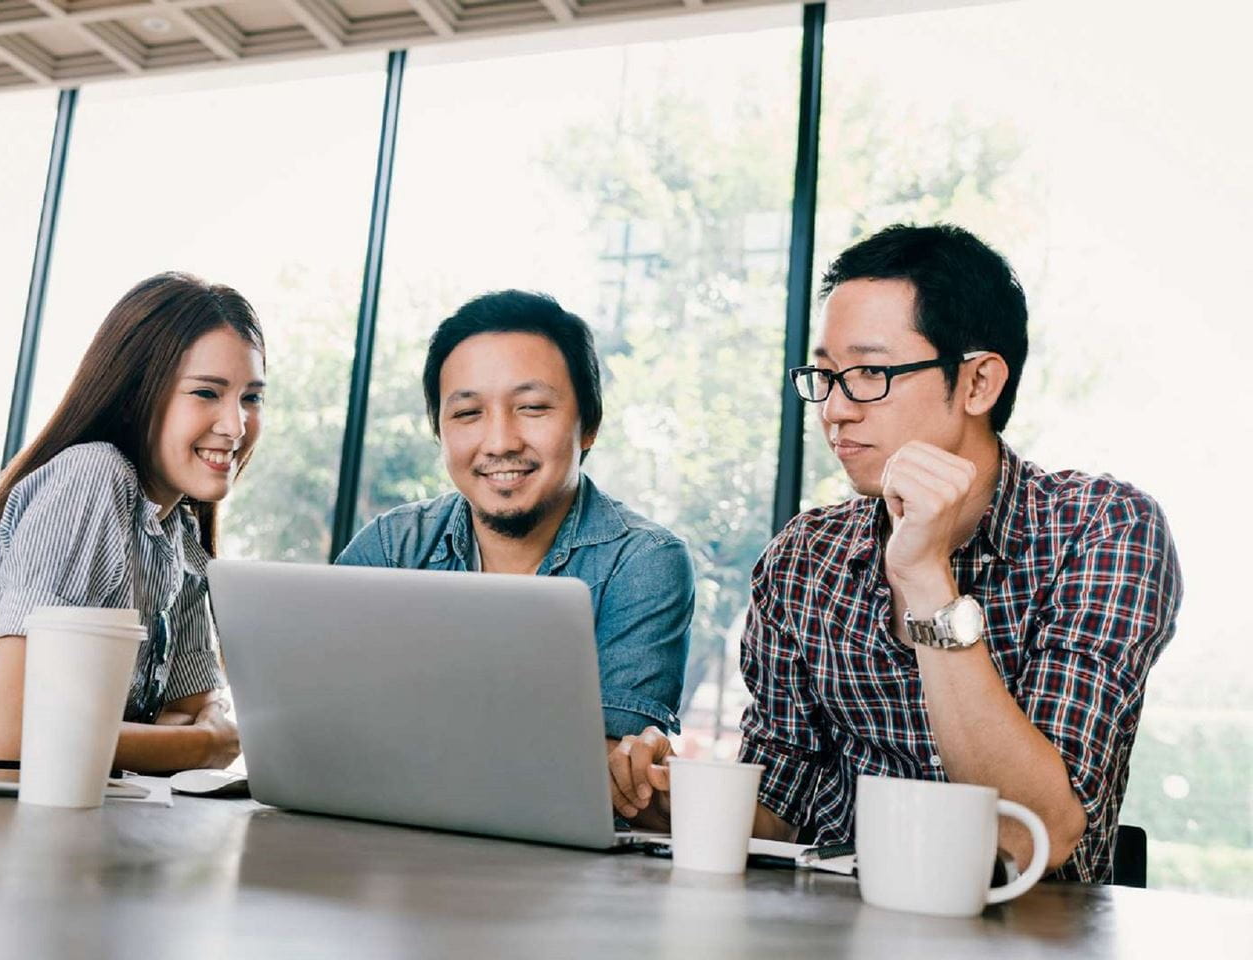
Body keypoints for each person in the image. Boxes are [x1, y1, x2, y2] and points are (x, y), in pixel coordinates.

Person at [607, 224, 1181, 882]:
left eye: (870, 374)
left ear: (977, 383)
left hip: (1023, 934)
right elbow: (780, 811)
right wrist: (662, 798)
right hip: (823, 933)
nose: (835, 412)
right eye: (824, 376)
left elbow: (1038, 836)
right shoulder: (804, 558)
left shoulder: (1101, 528)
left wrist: (925, 577)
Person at [0, 272, 264, 772]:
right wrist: (203, 743)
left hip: (44, 822)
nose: (236, 426)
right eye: (207, 393)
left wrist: (55, 733)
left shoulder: (179, 535)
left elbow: (195, 712)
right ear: (137, 394)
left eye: (251, 398)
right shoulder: (92, 477)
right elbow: (15, 736)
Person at [336, 289, 695, 764]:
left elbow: (605, 771)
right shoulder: (392, 545)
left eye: (532, 407)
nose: (500, 442)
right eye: (467, 413)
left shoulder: (644, 562)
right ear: (440, 432)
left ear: (589, 424)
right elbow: (322, 714)